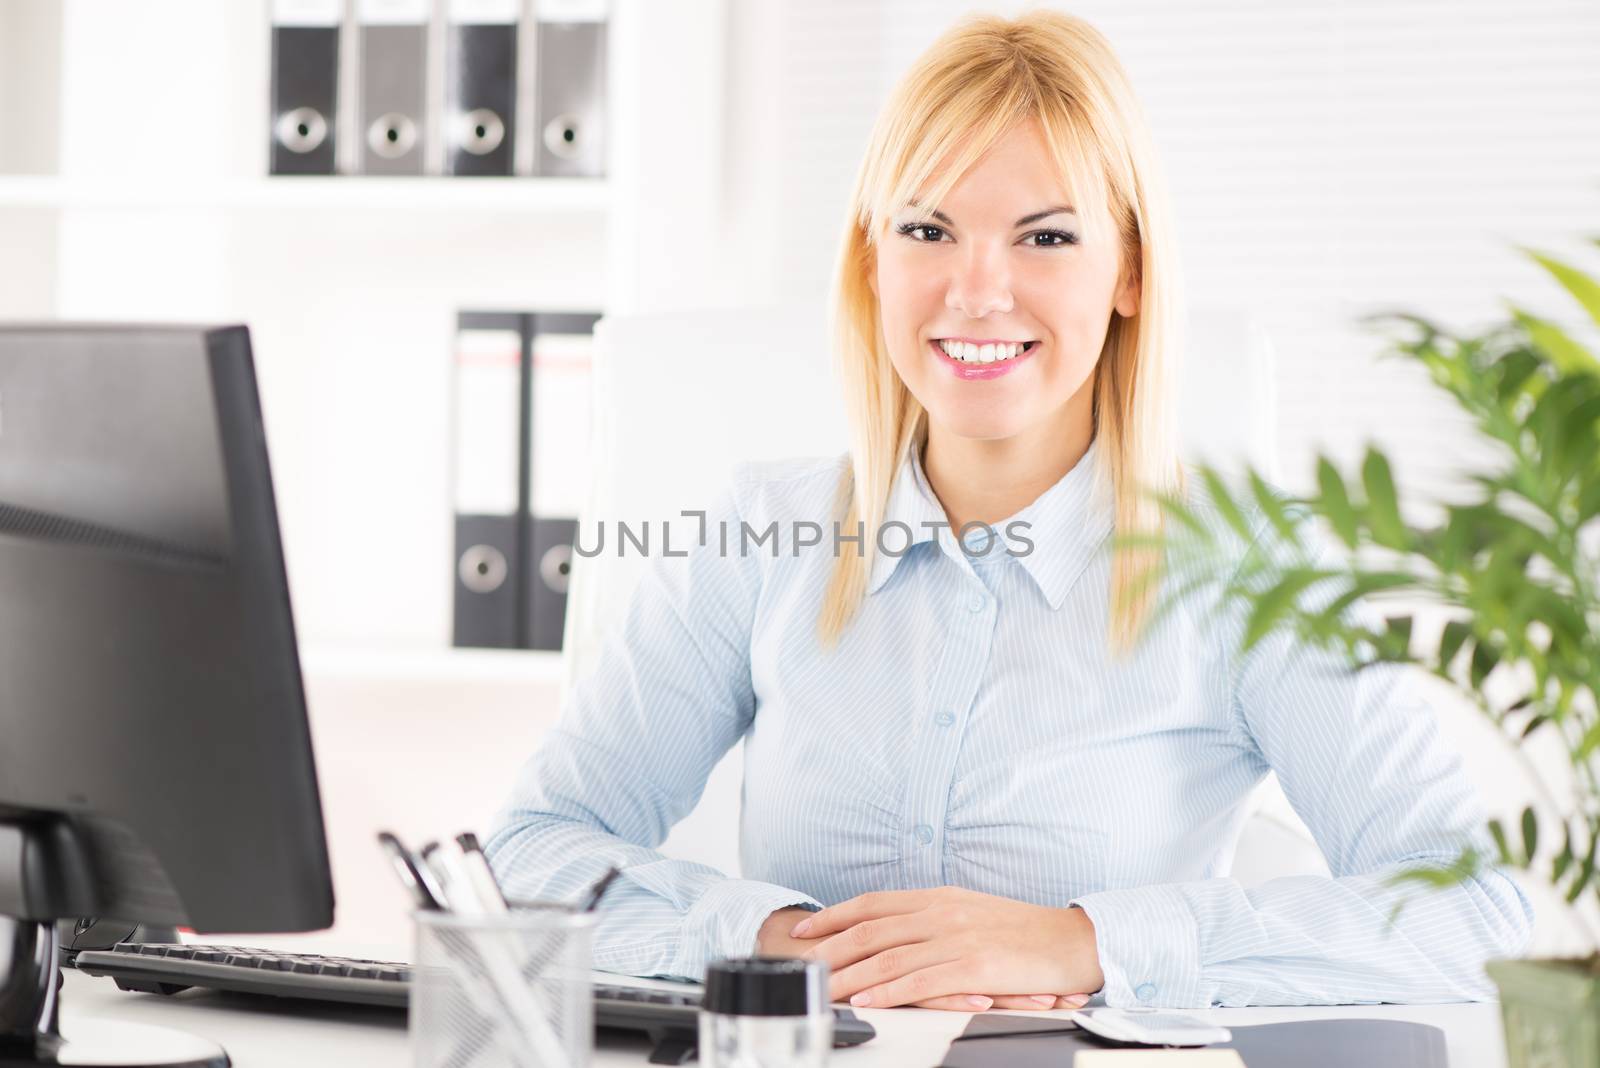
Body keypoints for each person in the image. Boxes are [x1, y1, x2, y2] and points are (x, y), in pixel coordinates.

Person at [485, 10, 1532, 1011]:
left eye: (1043, 238)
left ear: (1126, 270)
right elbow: (534, 850)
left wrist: (1086, 943)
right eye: (927, 229)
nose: (976, 291)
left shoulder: (1246, 567)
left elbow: (1474, 911)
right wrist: (776, 942)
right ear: (871, 260)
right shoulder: (760, 534)